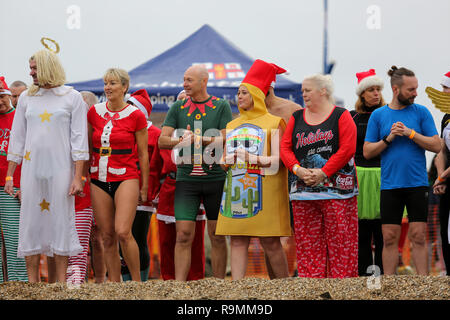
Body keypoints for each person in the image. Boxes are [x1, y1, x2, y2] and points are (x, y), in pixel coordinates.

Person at [5, 49, 89, 283]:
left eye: (35, 68)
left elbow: (79, 140)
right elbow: (17, 138)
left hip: (62, 170)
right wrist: (10, 175)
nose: (30, 73)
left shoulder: (72, 97)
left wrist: (78, 177)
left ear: (48, 68)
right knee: (30, 220)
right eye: (30, 68)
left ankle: (60, 284)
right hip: (32, 171)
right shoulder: (26, 98)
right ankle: (33, 284)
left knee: (61, 220)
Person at [216, 59, 291, 280]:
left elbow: (279, 160)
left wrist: (253, 158)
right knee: (238, 238)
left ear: (257, 95)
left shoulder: (275, 122)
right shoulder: (231, 125)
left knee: (270, 240)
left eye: (244, 93)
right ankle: (237, 287)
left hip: (267, 188)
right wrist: (225, 161)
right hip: (236, 188)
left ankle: (283, 285)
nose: (239, 97)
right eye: (238, 93)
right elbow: (223, 161)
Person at [363, 66, 441, 276]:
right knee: (388, 237)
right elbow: (368, 151)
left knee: (418, 235)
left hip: (417, 184)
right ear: (396, 89)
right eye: (411, 89)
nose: (416, 93)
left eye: (416, 88)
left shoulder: (421, 112)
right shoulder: (379, 115)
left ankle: (423, 283)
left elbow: (436, 145)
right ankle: (389, 283)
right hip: (390, 184)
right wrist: (389, 138)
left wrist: (410, 133)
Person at [280, 73, 359, 278]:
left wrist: (324, 172)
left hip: (338, 191)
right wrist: (298, 170)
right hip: (303, 191)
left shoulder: (341, 115)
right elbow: (285, 149)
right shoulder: (297, 117)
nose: (303, 94)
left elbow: (348, 149)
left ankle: (343, 284)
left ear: (322, 91)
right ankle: (311, 283)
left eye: (307, 90)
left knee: (342, 241)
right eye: (303, 90)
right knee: (307, 242)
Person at [158, 65, 232, 281]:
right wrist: (179, 141)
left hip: (215, 178)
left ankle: (218, 284)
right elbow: (162, 140)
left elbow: (227, 135)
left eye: (189, 80)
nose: (184, 84)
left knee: (217, 235)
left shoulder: (221, 105)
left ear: (204, 82)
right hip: (186, 180)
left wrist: (203, 140)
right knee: (183, 235)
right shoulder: (178, 107)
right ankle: (180, 287)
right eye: (184, 79)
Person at [87, 68, 149, 282]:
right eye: (106, 83)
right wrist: (83, 176)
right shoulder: (94, 112)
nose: (107, 87)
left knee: (123, 231)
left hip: (126, 176)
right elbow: (87, 147)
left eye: (112, 83)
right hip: (98, 178)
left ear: (124, 87)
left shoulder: (136, 115)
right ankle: (114, 284)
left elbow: (143, 153)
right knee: (106, 235)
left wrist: (145, 186)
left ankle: (136, 283)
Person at [119, 88, 157, 282]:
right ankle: (125, 281)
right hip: (121, 186)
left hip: (144, 192)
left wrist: (154, 191)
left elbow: (159, 164)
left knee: (139, 237)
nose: (128, 109)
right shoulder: (123, 128)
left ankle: (141, 281)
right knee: (122, 237)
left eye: (132, 106)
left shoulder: (155, 133)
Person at [349, 69, 385, 276]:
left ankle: (381, 276)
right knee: (361, 233)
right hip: (359, 176)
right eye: (371, 90)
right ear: (362, 93)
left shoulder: (388, 113)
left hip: (383, 175)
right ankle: (363, 277)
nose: (375, 94)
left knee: (382, 232)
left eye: (378, 89)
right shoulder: (351, 116)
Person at [0, 77, 28, 282]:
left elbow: (30, 153)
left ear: (9, 95)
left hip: (12, 186)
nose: (0, 101)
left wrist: (25, 185)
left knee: (14, 238)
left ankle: (19, 284)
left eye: (2, 96)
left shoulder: (20, 118)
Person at [431, 71, 450, 275]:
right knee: (445, 229)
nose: (443, 92)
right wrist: (440, 177)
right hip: (447, 181)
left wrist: (442, 176)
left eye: (446, 88)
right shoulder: (446, 117)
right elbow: (441, 150)